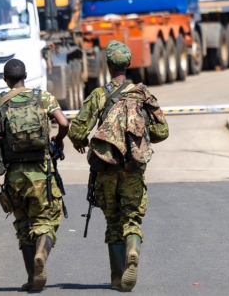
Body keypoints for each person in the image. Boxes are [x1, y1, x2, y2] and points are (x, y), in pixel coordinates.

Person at [69, 41, 169, 292]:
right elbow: (162, 130)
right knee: (132, 218)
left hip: (106, 168)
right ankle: (133, 250)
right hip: (134, 167)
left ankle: (116, 278)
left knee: (113, 222)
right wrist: (139, 139)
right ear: (128, 63)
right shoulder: (143, 93)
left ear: (108, 64)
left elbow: (77, 131)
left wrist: (82, 142)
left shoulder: (99, 95)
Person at [0, 59, 70, 292]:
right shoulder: (44, 97)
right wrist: (59, 139)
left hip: (14, 176)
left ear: (5, 79)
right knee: (46, 221)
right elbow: (64, 122)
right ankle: (43, 251)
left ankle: (32, 278)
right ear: (26, 76)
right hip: (42, 173)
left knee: (23, 225)